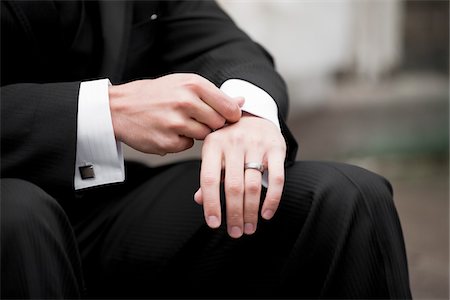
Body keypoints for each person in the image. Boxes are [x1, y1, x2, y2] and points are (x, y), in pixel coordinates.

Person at [1, 0, 412, 298]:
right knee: (21, 219)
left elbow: (219, 42)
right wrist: (105, 110)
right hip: (15, 208)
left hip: (91, 208)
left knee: (345, 197)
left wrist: (246, 115)